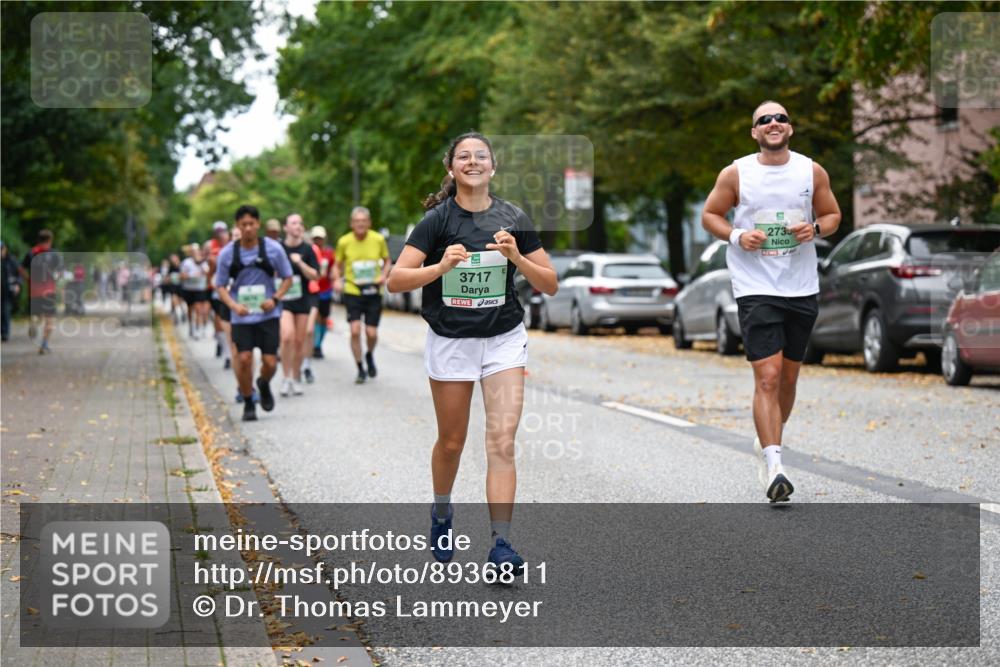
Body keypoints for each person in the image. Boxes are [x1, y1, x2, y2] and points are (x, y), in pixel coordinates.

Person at [388, 132, 557, 572]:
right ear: (452, 169)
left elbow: (550, 282)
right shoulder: (437, 222)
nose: (473, 161)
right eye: (464, 156)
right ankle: (442, 512)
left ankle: (501, 545)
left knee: (501, 441)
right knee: (452, 442)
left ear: (493, 167)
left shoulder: (513, 216)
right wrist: (441, 267)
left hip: (503, 339)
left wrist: (517, 257)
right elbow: (395, 280)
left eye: (481, 155)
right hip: (451, 341)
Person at [701, 100, 841, 503]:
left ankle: (768, 443)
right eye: (765, 120)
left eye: (780, 118)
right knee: (768, 375)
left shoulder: (810, 170)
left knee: (790, 378)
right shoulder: (737, 172)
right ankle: (775, 463)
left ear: (790, 129)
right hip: (755, 285)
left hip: (800, 286)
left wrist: (814, 228)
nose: (773, 123)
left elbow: (832, 214)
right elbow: (710, 214)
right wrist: (736, 236)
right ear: (755, 133)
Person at [215, 205, 293, 422]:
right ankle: (249, 400)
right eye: (243, 225)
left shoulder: (274, 249)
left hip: (268, 315)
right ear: (238, 227)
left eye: (251, 224)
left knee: (270, 362)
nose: (248, 228)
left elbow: (288, 278)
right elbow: (220, 285)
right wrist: (233, 306)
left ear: (258, 224)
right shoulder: (227, 254)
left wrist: (275, 298)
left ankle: (264, 383)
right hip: (242, 316)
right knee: (244, 358)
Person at [333, 207, 391, 384]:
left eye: (363, 221)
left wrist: (384, 275)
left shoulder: (378, 239)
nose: (360, 224)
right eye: (357, 221)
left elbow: (387, 260)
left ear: (369, 223)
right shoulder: (344, 242)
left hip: (374, 290)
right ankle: (360, 368)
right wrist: (336, 279)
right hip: (353, 290)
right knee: (355, 330)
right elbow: (337, 265)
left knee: (371, 333)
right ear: (351, 224)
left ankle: (369, 354)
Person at [277, 213, 320, 396]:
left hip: (302, 299)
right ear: (286, 227)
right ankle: (285, 378)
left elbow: (315, 275)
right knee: (287, 337)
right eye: (293, 223)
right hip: (283, 300)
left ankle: (295, 377)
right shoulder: (278, 248)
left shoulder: (307, 249)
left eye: (300, 223)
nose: (297, 226)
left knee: (299, 341)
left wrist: (300, 262)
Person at [20, 229, 63, 354]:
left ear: (39, 239)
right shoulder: (55, 254)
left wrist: (28, 279)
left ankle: (33, 321)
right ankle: (44, 344)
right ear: (50, 240)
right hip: (49, 290)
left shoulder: (31, 253)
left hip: (34, 290)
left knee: (37, 315)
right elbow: (60, 272)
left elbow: (21, 269)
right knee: (50, 319)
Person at [206, 221, 233, 369]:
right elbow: (210, 271)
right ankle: (225, 350)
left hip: (234, 289)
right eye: (218, 231)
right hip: (218, 288)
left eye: (223, 231)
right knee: (220, 319)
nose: (221, 233)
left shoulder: (234, 246)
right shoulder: (211, 247)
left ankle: (230, 348)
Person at [309, 225, 335, 359]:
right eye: (315, 238)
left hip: (326, 290)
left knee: (324, 318)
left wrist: (334, 278)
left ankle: (319, 343)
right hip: (312, 290)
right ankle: (316, 345)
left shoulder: (329, 253)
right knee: (316, 317)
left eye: (320, 238)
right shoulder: (309, 252)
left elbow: (334, 268)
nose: (318, 241)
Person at [180, 244, 210, 338]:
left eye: (197, 251)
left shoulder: (203, 263)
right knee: (190, 309)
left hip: (199, 289)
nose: (196, 253)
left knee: (199, 309)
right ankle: (191, 327)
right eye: (194, 252)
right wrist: (191, 276)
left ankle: (198, 328)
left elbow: (208, 274)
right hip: (189, 289)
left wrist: (201, 265)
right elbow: (182, 276)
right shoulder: (186, 262)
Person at [1, 241, 22, 342]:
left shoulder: (11, 260)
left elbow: (19, 274)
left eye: (1, 249)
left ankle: (5, 333)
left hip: (7, 290)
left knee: (5, 311)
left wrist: (18, 284)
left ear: (5, 249)